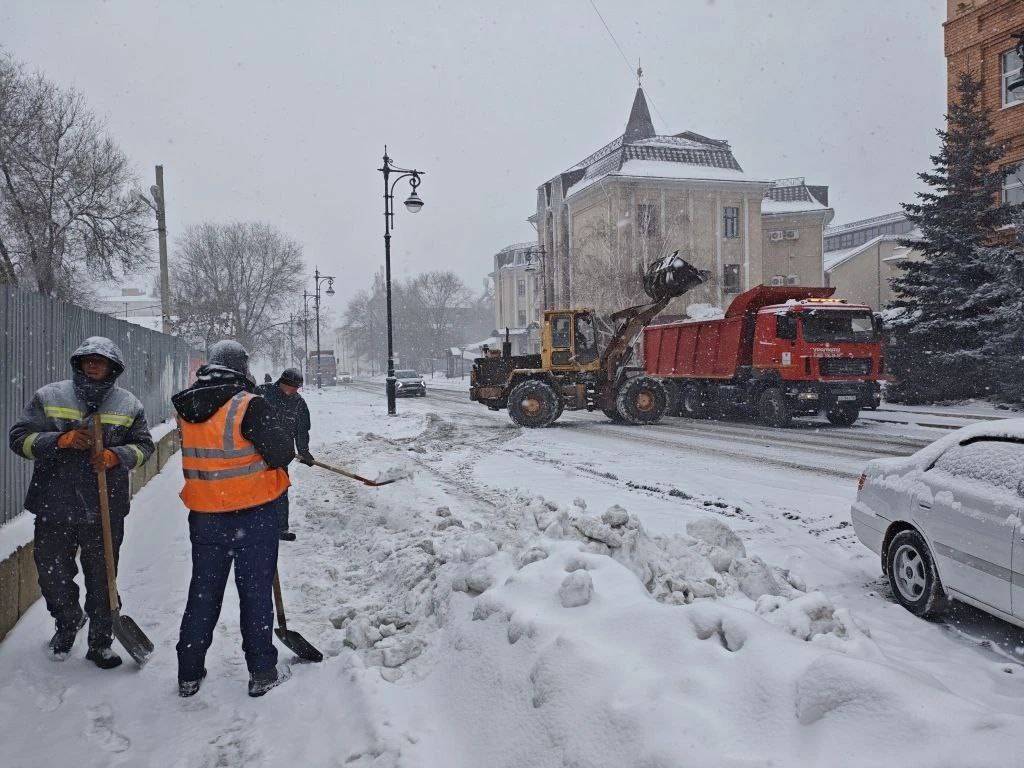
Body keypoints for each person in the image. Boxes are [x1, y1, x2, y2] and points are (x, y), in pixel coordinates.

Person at [8, 337, 154, 669]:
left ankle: (101, 642)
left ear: (113, 367)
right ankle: (68, 621)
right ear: (78, 363)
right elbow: (19, 439)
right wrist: (60, 439)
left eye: (100, 360)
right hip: (54, 504)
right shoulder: (50, 396)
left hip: (104, 507)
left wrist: (116, 456)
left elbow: (145, 446)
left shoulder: (128, 404)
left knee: (103, 579)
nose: (93, 364)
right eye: (88, 359)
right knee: (53, 576)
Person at [172, 340, 294, 698]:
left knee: (203, 593)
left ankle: (189, 672)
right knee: (255, 594)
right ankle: (262, 670)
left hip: (205, 515)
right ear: (242, 367)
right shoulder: (248, 405)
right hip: (251, 514)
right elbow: (281, 452)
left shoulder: (187, 406)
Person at [257, 367, 314, 541]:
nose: (294, 391)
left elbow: (302, 429)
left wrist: (303, 451)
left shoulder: (298, 403)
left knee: (280, 490)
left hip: (281, 454)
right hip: (257, 452)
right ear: (282, 383)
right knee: (257, 490)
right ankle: (256, 528)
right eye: (292, 387)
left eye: (297, 388)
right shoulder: (262, 393)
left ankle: (281, 529)